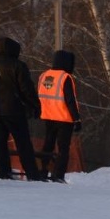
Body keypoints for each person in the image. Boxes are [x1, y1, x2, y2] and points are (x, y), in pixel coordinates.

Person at [0, 36, 44, 180]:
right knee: (23, 143)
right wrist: (36, 105)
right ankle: (32, 173)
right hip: (15, 109)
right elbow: (26, 89)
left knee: (0, 143)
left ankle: (4, 172)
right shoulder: (18, 65)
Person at [38, 49, 81, 183]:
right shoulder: (65, 77)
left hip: (47, 116)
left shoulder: (44, 75)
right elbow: (70, 100)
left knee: (48, 145)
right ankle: (58, 175)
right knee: (63, 148)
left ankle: (43, 171)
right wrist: (77, 118)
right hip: (64, 118)